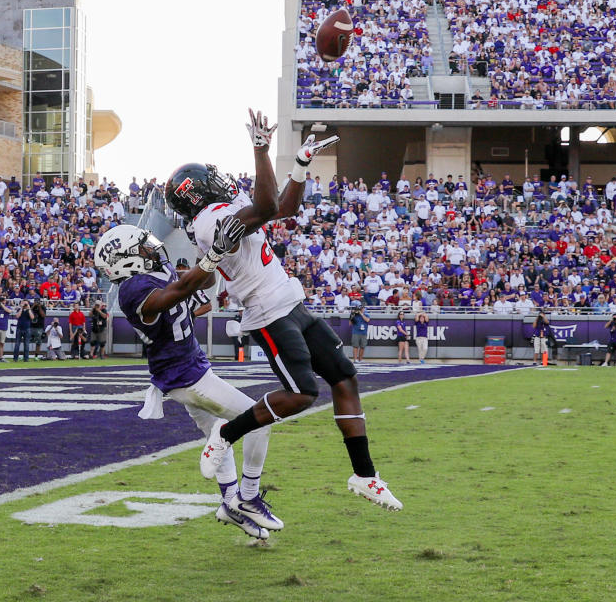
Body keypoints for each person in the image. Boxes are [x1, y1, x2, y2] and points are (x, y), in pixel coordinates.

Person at [167, 108, 401, 511]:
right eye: (211, 180)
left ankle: (365, 476)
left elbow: (282, 208)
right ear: (197, 193)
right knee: (302, 393)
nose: (220, 182)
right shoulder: (206, 222)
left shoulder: (222, 206)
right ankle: (226, 434)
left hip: (290, 301)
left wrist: (299, 166)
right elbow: (263, 210)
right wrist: (261, 151)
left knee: (344, 377)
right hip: (266, 313)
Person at [94, 218, 278, 538]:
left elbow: (201, 282)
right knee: (259, 419)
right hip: (186, 377)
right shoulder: (132, 290)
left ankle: (229, 503)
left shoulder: (152, 273)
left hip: (189, 368)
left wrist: (212, 252)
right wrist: (212, 255)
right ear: (126, 260)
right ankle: (247, 498)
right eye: (141, 248)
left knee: (217, 441)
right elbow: (180, 290)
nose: (150, 248)